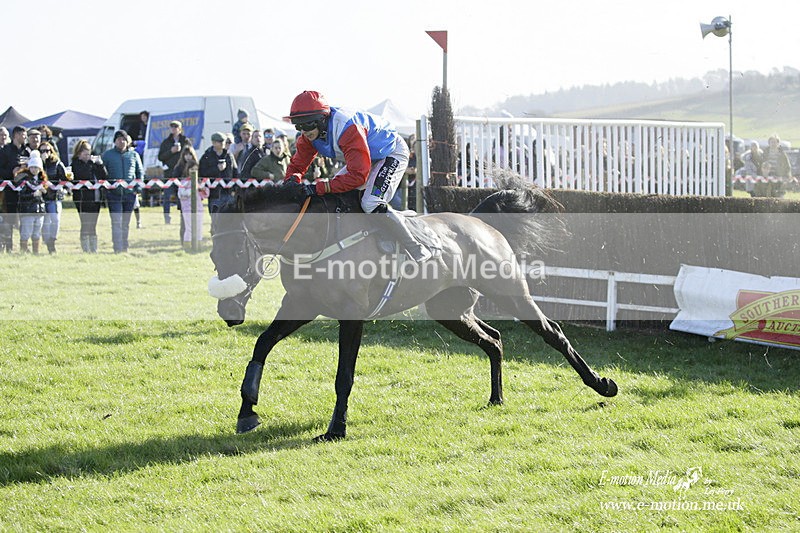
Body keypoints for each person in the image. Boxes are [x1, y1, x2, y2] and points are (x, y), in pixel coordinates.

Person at [282, 90, 431, 262]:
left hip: (390, 152)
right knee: (335, 196)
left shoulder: (347, 128)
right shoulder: (308, 136)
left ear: (321, 119)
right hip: (365, 158)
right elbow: (297, 165)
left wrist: (317, 187)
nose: (303, 131)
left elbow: (358, 176)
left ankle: (415, 246)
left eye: (307, 125)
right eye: (298, 126)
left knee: (370, 202)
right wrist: (291, 181)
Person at [102, 130, 143, 253]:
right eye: (119, 139)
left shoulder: (134, 155)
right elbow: (102, 174)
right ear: (114, 141)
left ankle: (124, 247)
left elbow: (139, 172)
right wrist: (106, 189)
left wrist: (138, 189)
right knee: (116, 222)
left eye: (124, 139)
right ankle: (117, 248)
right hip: (114, 194)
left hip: (129, 194)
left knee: (125, 223)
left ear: (128, 141)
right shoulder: (107, 155)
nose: (122, 141)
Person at [71, 139, 106, 252]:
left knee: (93, 224)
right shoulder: (75, 164)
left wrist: (100, 164)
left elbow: (104, 176)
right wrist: (90, 163)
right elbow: (83, 175)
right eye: (85, 154)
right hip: (82, 199)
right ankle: (86, 248)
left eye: (89, 154)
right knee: (86, 223)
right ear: (79, 153)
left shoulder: (94, 164)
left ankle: (94, 248)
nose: (88, 156)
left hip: (96, 197)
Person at [173, 144, 208, 249]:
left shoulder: (198, 177)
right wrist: (192, 190)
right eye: (186, 154)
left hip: (198, 206)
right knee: (187, 227)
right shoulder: (179, 170)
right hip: (186, 207)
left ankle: (198, 245)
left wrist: (202, 189)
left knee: (198, 227)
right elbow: (180, 191)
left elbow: (205, 193)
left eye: (190, 154)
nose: (188, 157)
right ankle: (186, 245)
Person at [0, 125, 28, 252]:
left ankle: (24, 247)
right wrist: (12, 172)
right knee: (9, 220)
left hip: (25, 192)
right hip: (9, 191)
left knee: (24, 221)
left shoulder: (26, 151)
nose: (25, 137)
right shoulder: (5, 150)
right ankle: (9, 247)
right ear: (16, 135)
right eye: (23, 135)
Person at [14, 150, 47, 254]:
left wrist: (44, 192)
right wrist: (33, 195)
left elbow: (48, 195)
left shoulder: (42, 179)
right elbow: (21, 194)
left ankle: (35, 252)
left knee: (37, 233)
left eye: (36, 167)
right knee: (26, 233)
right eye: (32, 167)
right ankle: (23, 251)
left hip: (40, 210)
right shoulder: (24, 178)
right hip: (27, 210)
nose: (34, 169)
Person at [198, 132, 235, 221]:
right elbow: (202, 173)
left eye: (224, 141)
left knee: (229, 219)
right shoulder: (207, 156)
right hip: (214, 193)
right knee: (215, 219)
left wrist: (235, 189)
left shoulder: (229, 155)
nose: (223, 143)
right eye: (220, 141)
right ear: (214, 143)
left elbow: (235, 172)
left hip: (228, 192)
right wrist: (217, 169)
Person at [157, 120, 188, 224]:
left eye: (176, 127)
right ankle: (167, 218)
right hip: (169, 174)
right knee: (167, 197)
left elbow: (190, 155)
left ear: (180, 129)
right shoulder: (166, 142)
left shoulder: (185, 141)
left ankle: (182, 217)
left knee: (182, 196)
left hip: (182, 173)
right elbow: (160, 157)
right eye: (172, 127)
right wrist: (171, 151)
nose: (174, 129)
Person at [39, 141, 68, 253]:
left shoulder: (57, 163)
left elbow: (64, 178)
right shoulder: (37, 164)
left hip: (54, 197)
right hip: (41, 197)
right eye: (42, 151)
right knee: (45, 222)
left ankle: (52, 240)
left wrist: (61, 188)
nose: (45, 153)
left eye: (47, 150)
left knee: (55, 219)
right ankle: (47, 243)